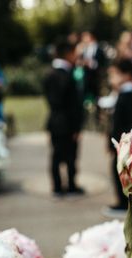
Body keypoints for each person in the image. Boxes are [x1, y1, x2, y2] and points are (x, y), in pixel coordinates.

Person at [43, 38, 85, 197]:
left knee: (56, 155)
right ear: (68, 54)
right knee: (70, 156)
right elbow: (73, 105)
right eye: (74, 53)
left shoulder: (49, 74)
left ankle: (58, 186)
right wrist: (76, 127)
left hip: (54, 121)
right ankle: (71, 186)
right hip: (68, 124)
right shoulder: (67, 75)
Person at [104, 58, 132, 217]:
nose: (111, 79)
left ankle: (124, 203)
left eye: (114, 75)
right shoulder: (128, 93)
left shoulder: (128, 95)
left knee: (119, 172)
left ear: (126, 75)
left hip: (123, 142)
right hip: (123, 141)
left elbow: (123, 123)